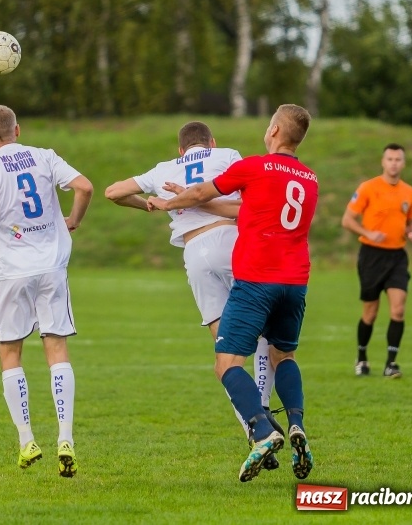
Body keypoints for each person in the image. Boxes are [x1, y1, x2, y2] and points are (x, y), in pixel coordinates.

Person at [147, 104, 317, 483]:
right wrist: (198, 199)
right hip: (296, 280)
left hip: (256, 280)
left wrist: (167, 202)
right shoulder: (309, 178)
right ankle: (296, 426)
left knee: (226, 364)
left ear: (273, 130)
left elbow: (200, 193)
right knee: (282, 354)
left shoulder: (253, 166)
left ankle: (261, 429)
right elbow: (243, 209)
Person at [104, 121, 283, 470]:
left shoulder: (164, 169)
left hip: (194, 253)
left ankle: (256, 430)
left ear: (180, 150)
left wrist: (152, 205)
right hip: (231, 243)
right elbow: (251, 202)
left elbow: (112, 192)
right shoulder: (228, 155)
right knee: (263, 334)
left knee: (225, 350)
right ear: (212, 143)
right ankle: (262, 407)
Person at [0, 105, 93, 477]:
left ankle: (26, 440)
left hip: (12, 274)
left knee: (10, 353)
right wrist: (73, 222)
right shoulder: (44, 156)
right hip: (52, 267)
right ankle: (65, 437)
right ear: (18, 129)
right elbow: (84, 186)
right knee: (57, 348)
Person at [341, 143, 412, 379]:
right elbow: (347, 220)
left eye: (398, 159)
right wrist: (367, 231)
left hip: (397, 256)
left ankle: (391, 364)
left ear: (403, 163)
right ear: (383, 162)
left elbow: (409, 222)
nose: (394, 163)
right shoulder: (368, 188)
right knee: (370, 313)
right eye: (390, 159)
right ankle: (362, 357)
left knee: (398, 309)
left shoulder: (410, 193)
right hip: (371, 255)